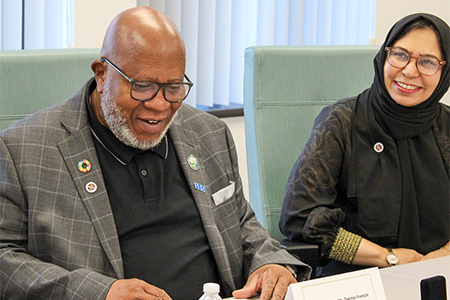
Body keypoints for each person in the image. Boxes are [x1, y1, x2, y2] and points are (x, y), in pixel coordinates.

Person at [0, 7, 311, 300]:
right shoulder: (23, 149)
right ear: (102, 74)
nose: (160, 105)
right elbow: (4, 258)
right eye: (143, 86)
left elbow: (241, 223)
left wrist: (270, 263)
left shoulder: (209, 133)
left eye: (174, 87)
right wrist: (98, 293)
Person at [279, 13, 450, 277]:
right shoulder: (341, 121)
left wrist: (444, 255)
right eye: (400, 54)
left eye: (427, 62)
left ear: (445, 70)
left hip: (440, 274)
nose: (409, 70)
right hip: (359, 279)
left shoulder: (447, 126)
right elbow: (300, 219)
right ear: (385, 55)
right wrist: (387, 257)